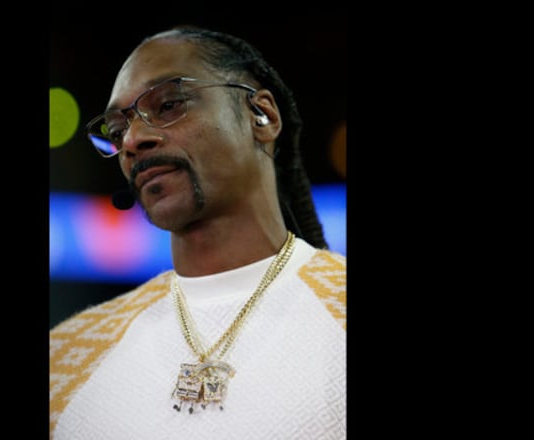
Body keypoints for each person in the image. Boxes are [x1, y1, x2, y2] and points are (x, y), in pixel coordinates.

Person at [50, 25, 346, 440]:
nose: (133, 140)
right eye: (117, 132)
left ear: (261, 116)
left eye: (169, 104)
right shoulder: (65, 357)